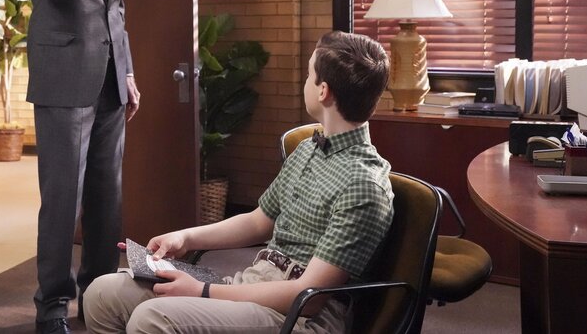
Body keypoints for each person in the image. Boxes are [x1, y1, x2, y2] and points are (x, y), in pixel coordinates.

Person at [83, 31, 394, 333]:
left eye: (309, 75)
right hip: (255, 283)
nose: (305, 83)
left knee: (153, 318)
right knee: (103, 293)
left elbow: (309, 297)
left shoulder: (364, 186)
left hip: (301, 316)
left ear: (323, 91)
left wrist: (202, 291)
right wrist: (185, 238)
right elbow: (259, 221)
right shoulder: (308, 148)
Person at [16, 0, 163, 334]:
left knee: (106, 198)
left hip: (109, 79)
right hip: (63, 78)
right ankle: (52, 308)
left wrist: (128, 71)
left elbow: (115, 11)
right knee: (63, 199)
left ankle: (98, 297)